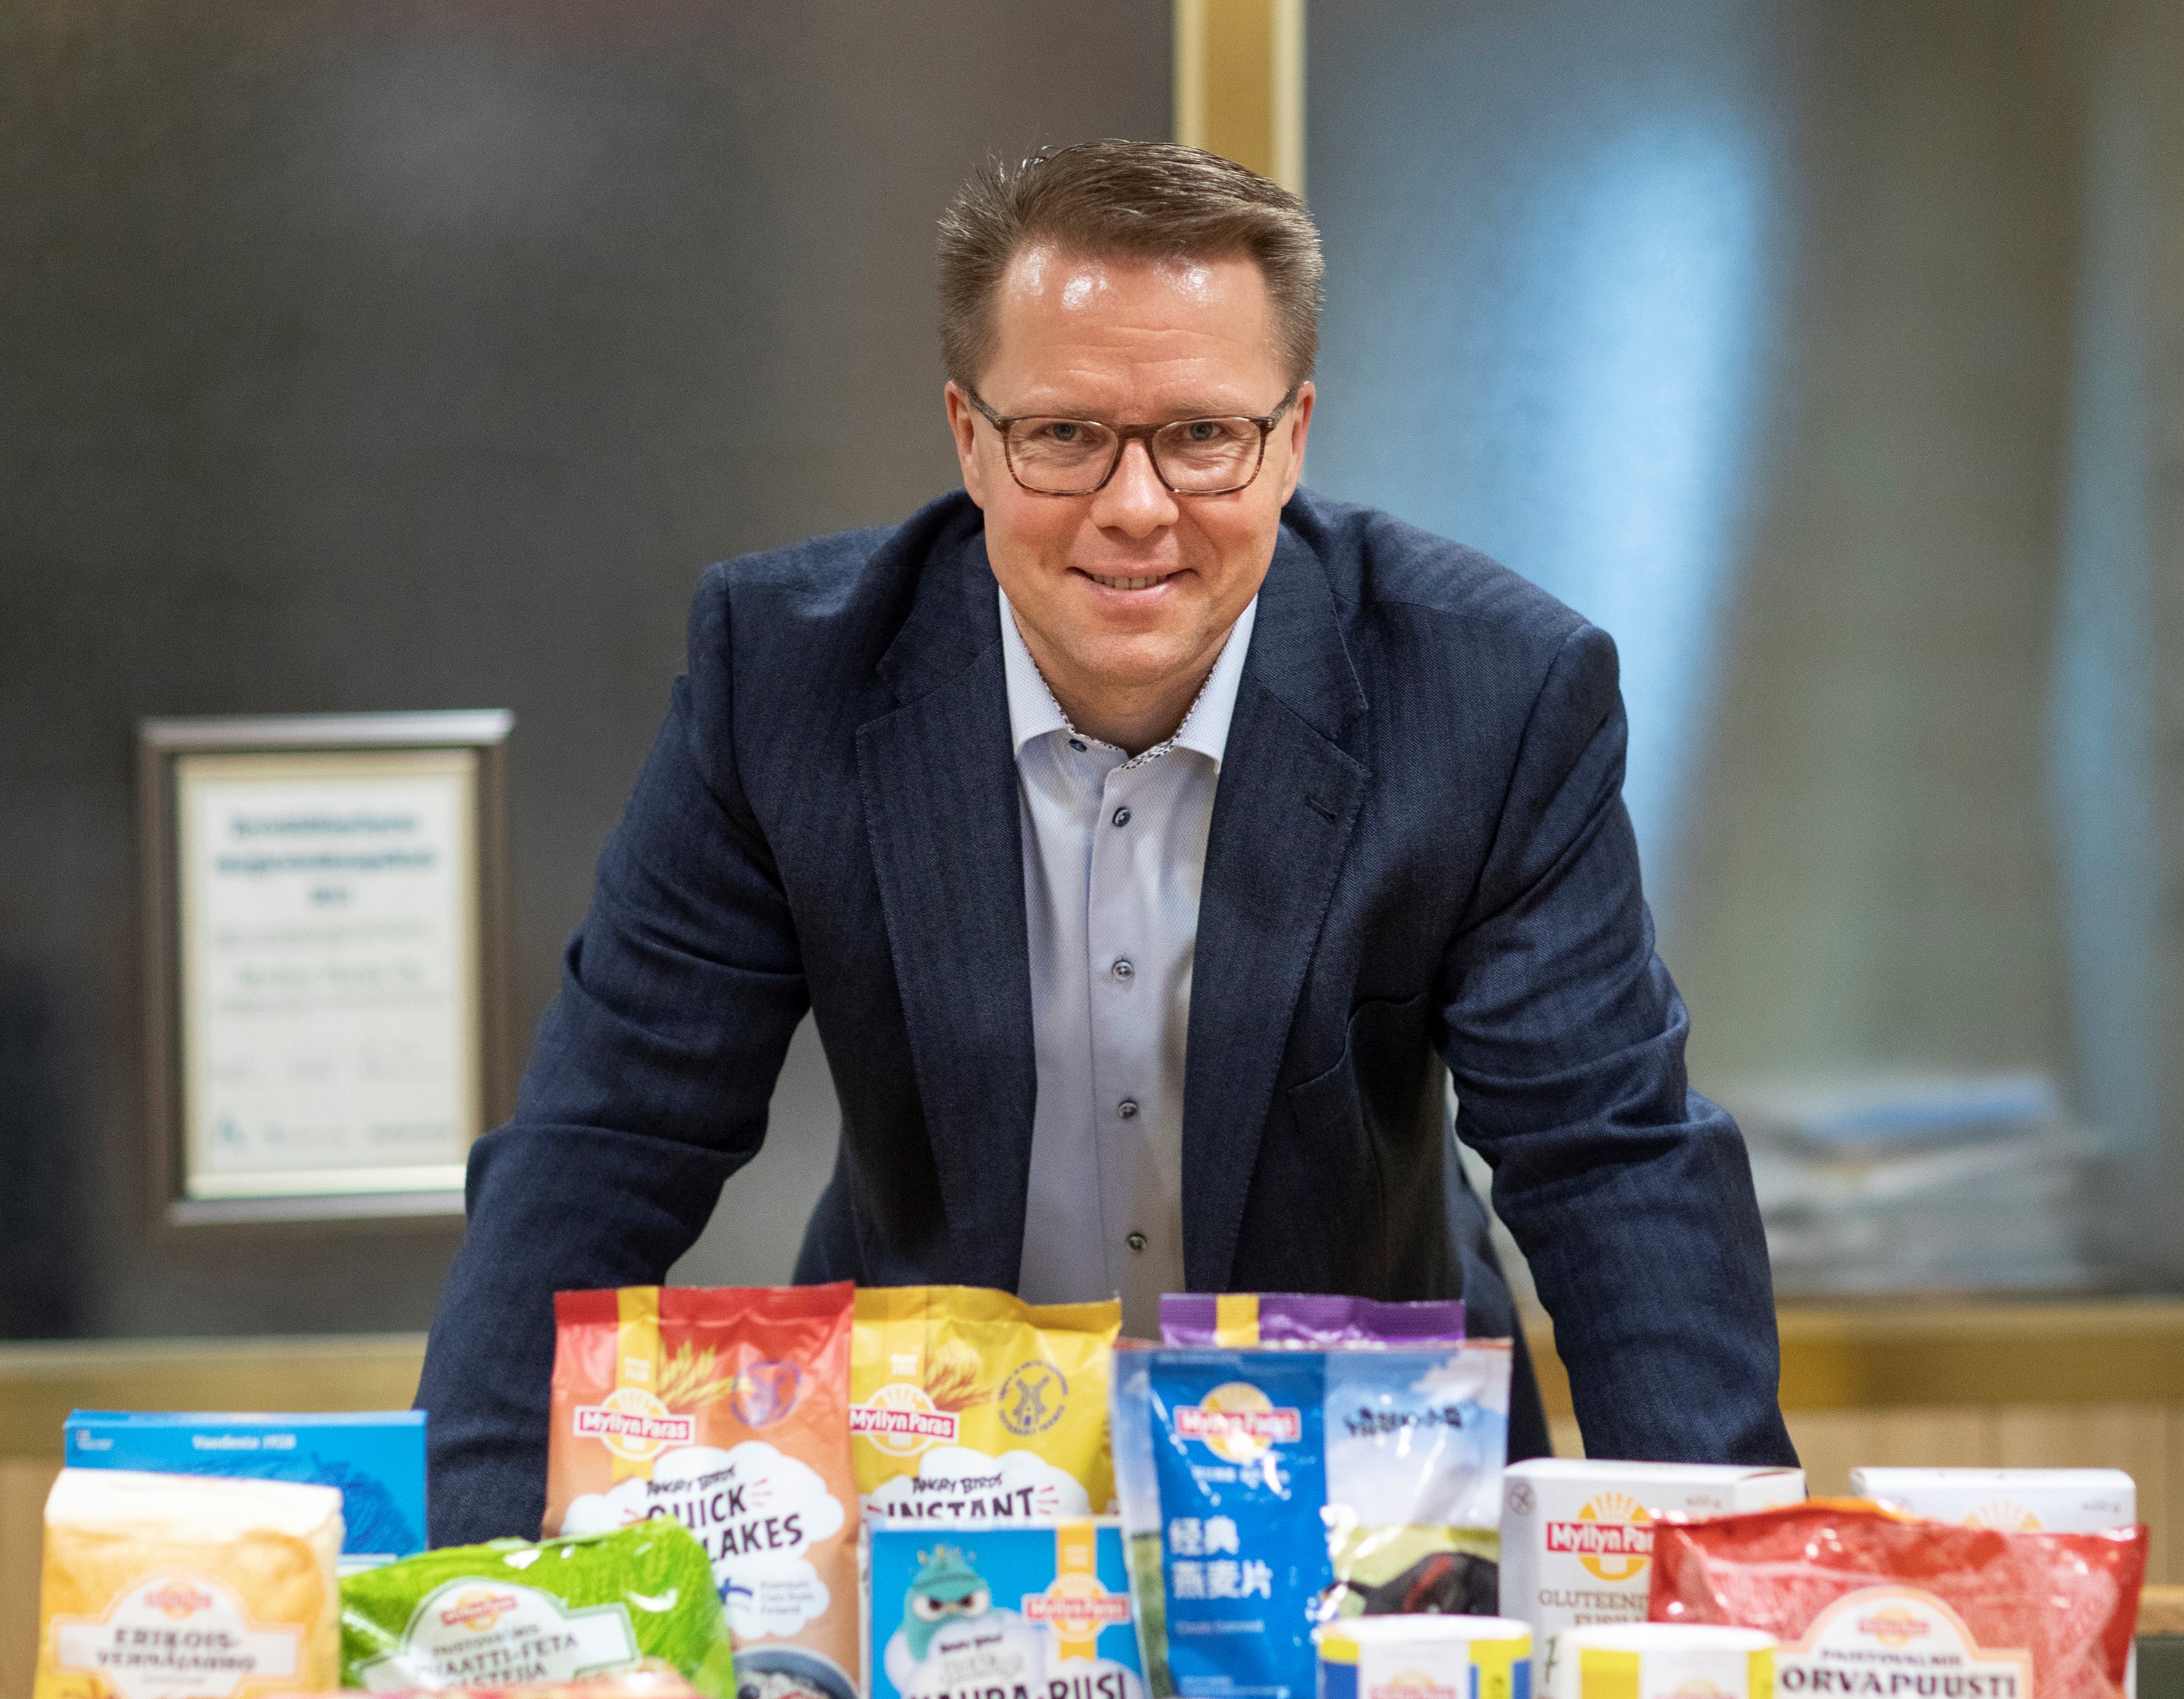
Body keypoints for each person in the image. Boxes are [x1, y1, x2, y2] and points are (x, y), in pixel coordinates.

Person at [417, 140, 1796, 1545]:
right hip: (932, 1485)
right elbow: (607, 1139)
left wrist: (1735, 1577)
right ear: (968, 436)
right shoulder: (784, 680)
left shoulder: (1491, 695)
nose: (1137, 508)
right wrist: (468, 1567)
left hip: (1372, 1494)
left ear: (1293, 436)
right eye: (1066, 435)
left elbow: (1609, 1159)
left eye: (1202, 435)